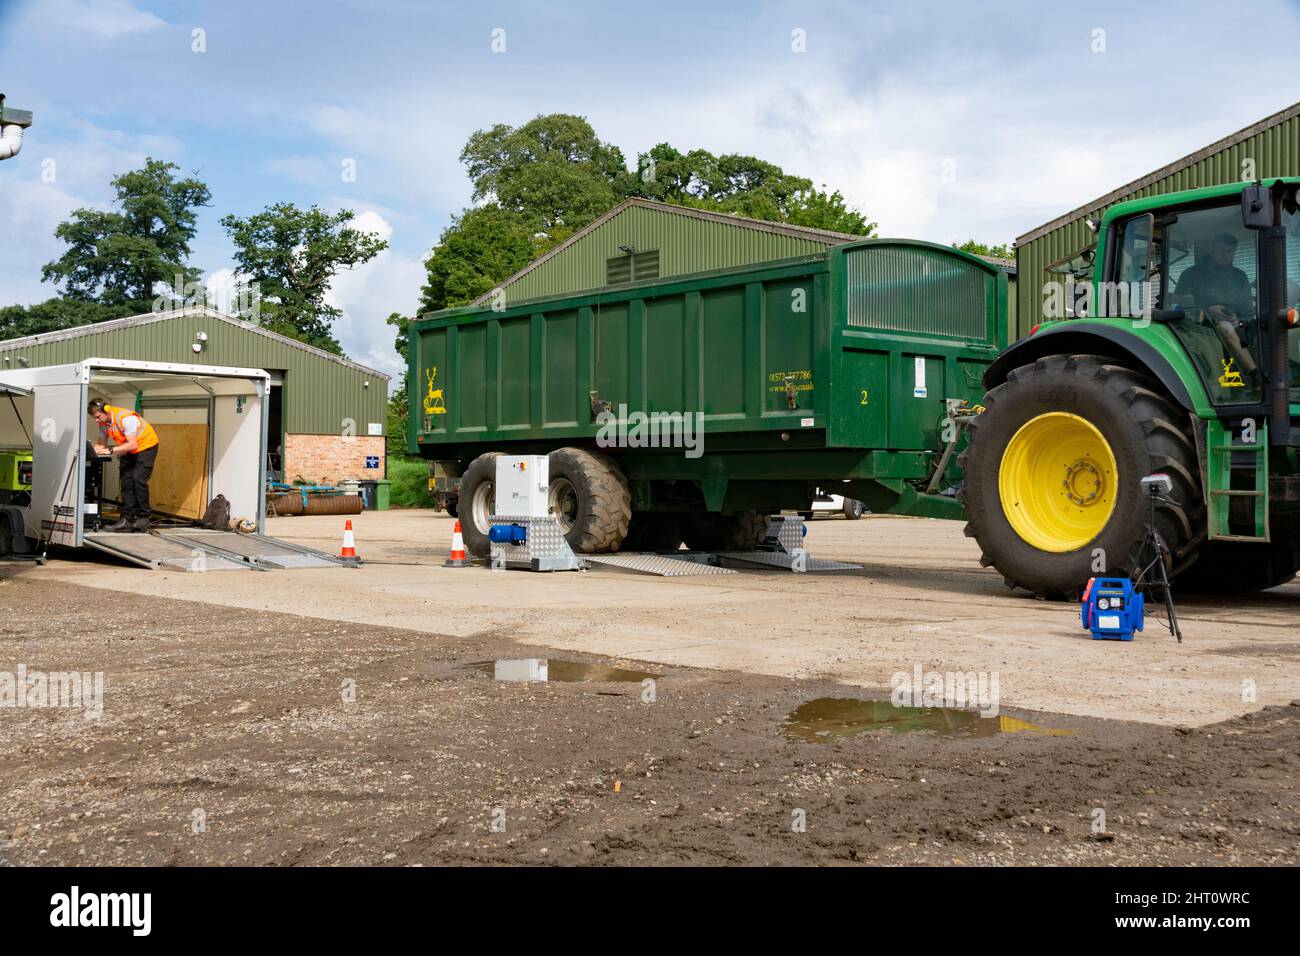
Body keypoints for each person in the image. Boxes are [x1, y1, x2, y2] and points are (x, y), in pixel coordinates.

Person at [88, 399, 160, 532]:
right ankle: (127, 519)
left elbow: (133, 444)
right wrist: (90, 450)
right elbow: (101, 445)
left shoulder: (126, 418)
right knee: (126, 482)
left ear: (107, 409)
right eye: (94, 418)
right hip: (127, 448)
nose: (97, 421)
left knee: (138, 479)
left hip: (146, 446)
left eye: (98, 417)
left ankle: (143, 517)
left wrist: (110, 450)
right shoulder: (103, 423)